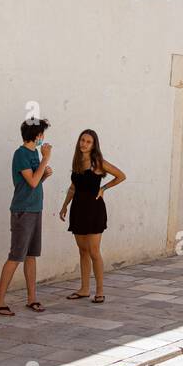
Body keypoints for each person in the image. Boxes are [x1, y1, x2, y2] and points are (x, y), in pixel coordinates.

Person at [0, 118, 53, 316]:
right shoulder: (21, 154)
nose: (44, 137)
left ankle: (32, 298)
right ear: (37, 135)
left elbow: (35, 180)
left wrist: (44, 174)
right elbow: (32, 182)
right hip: (23, 211)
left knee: (31, 255)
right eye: (42, 133)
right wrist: (45, 160)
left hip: (35, 209)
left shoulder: (34, 153)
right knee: (16, 256)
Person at [59, 129, 125, 304]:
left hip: (94, 210)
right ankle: (84, 289)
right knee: (82, 251)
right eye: (82, 140)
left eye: (88, 141)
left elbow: (121, 176)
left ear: (94, 145)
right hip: (78, 209)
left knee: (94, 252)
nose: (84, 144)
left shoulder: (98, 163)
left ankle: (100, 291)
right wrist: (65, 205)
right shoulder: (77, 162)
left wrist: (103, 189)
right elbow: (73, 187)